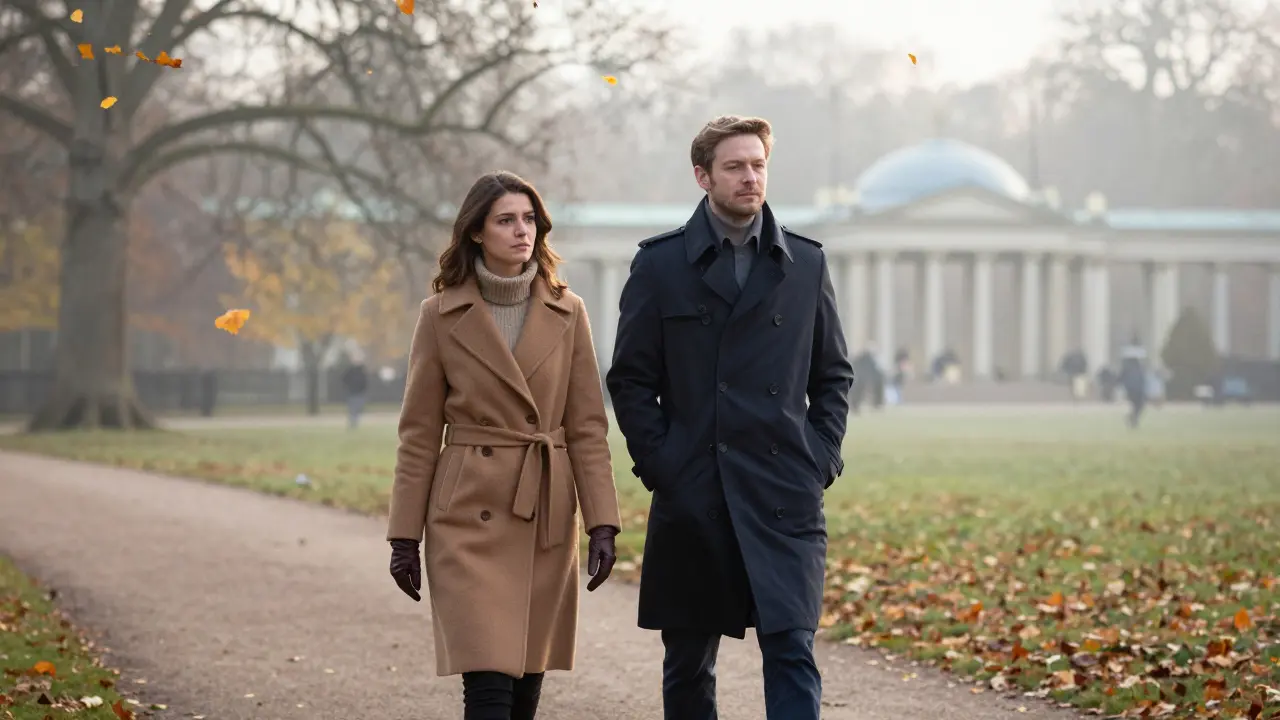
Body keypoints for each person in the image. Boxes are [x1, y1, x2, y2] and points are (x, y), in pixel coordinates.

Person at [606, 115, 854, 720]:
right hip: (696, 492)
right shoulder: (660, 266)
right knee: (689, 663)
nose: (750, 178)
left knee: (793, 650)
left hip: (784, 492)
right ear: (703, 176)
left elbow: (833, 376)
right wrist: (665, 466)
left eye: (758, 165)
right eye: (735, 167)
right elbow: (630, 379)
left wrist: (818, 460)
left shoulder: (806, 263)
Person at [385, 171, 623, 720]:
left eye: (530, 219)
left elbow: (587, 426)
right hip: (466, 514)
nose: (523, 231)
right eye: (506, 220)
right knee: (488, 682)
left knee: (523, 688)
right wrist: (403, 536)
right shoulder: (440, 315)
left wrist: (602, 522)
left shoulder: (569, 311)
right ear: (476, 232)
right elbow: (418, 434)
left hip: (543, 511)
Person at [1118, 334, 1148, 427]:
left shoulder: (1129, 364)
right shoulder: (1137, 365)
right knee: (1139, 405)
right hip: (1136, 387)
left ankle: (1133, 419)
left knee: (1137, 405)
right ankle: (1133, 419)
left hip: (1131, 387)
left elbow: (1122, 375)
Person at [341, 354, 369, 429]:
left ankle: (355, 422)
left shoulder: (362, 370)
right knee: (352, 408)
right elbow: (344, 379)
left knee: (358, 408)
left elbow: (365, 381)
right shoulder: (350, 370)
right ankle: (352, 423)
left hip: (360, 393)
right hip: (352, 392)